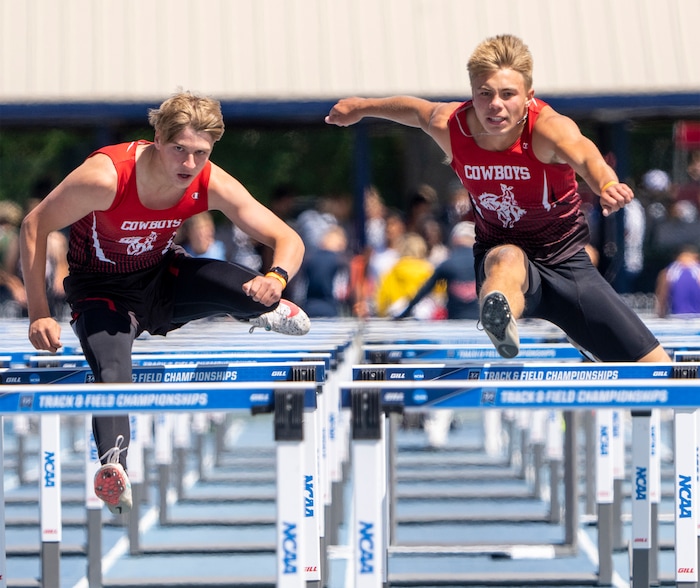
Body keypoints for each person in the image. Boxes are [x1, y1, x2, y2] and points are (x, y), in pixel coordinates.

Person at [20, 91, 310, 516]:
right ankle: (113, 467)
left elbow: (288, 238)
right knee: (114, 368)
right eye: (179, 150)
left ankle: (260, 308)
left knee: (242, 283)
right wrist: (40, 313)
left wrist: (277, 276)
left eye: (200, 153)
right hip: (102, 290)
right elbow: (34, 225)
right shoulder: (105, 177)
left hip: (160, 278)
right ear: (157, 138)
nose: (188, 165)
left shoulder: (208, 180)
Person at [326, 33, 669, 363]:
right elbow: (416, 111)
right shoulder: (453, 126)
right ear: (472, 94)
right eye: (485, 94)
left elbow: (586, 155)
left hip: (565, 263)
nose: (495, 106)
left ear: (529, 96)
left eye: (508, 94)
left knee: (660, 370)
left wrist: (606, 184)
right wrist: (361, 107)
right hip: (500, 252)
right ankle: (499, 316)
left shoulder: (547, 128)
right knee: (507, 259)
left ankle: (581, 334)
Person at [397, 221, 479, 320]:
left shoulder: (448, 264)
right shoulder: (486, 264)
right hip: (480, 322)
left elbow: (425, 289)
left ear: (454, 239)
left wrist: (405, 313)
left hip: (455, 320)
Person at [655, 244, 700, 317]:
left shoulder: (668, 272)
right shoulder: (698, 271)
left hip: (677, 320)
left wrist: (661, 316)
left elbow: (662, 298)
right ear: (696, 256)